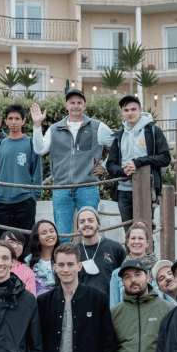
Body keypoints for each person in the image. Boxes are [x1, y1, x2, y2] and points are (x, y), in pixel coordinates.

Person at [31, 93, 115, 242]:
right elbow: (39, 149)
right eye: (72, 102)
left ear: (85, 105)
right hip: (61, 188)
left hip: (88, 186)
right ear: (66, 105)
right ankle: (66, 264)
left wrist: (105, 165)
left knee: (90, 232)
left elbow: (118, 144)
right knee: (63, 235)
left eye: (79, 102)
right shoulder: (55, 129)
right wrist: (37, 126)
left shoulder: (97, 126)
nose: (75, 105)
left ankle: (90, 264)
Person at [106, 96, 171, 226]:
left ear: (140, 110)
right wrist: (123, 171)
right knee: (129, 235)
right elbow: (110, 165)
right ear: (122, 112)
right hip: (123, 192)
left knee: (145, 233)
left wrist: (138, 162)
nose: (130, 113)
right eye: (126, 110)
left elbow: (165, 158)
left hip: (146, 189)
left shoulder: (154, 131)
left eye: (133, 109)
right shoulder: (119, 136)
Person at [0, 105, 42, 240]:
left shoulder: (31, 143)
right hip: (1, 202)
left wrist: (33, 195)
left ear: (23, 121)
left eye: (17, 118)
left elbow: (37, 171)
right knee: (1, 242)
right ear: (5, 121)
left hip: (25, 201)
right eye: (10, 118)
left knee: (25, 242)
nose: (14, 122)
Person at [109, 223, 170, 308]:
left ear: (147, 243)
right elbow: (113, 307)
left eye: (141, 238)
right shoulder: (117, 274)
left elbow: (171, 302)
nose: (136, 242)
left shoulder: (158, 270)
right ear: (127, 242)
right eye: (133, 238)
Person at [75, 207, 126, 296]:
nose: (86, 224)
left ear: (98, 224)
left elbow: (125, 276)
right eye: (82, 222)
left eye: (90, 220)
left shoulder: (115, 248)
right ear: (78, 227)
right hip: (83, 305)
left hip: (110, 306)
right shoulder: (73, 252)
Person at [0, 230, 35, 296]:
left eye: (19, 243)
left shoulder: (27, 272)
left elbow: (30, 298)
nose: (15, 246)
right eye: (11, 242)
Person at [25, 220, 60, 296]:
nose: (49, 235)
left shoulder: (63, 258)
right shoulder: (28, 261)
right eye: (44, 233)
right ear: (37, 237)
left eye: (52, 231)